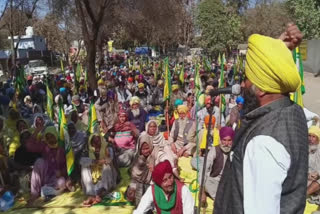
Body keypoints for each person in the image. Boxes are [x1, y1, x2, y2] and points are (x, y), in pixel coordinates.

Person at [214, 25, 308, 214]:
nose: (242, 84)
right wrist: (279, 49)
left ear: (262, 89)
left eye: (247, 79)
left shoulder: (263, 143)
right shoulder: (293, 112)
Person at [191, 127, 235, 205]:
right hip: (215, 179)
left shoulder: (235, 151)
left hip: (229, 181)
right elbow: (206, 167)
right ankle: (221, 199)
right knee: (206, 180)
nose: (226, 143)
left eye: (229, 140)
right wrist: (201, 190)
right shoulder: (214, 150)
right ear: (220, 140)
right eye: (224, 140)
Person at [26, 126, 68, 203]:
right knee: (39, 161)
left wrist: (61, 172)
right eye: (47, 137)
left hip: (55, 179)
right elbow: (29, 146)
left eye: (52, 136)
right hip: (45, 175)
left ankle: (47, 192)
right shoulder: (44, 145)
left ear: (56, 135)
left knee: (62, 181)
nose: (50, 139)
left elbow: (67, 166)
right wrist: (37, 130)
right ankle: (34, 194)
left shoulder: (61, 149)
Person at [80, 134, 118, 207]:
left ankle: (100, 192)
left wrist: (105, 158)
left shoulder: (107, 147)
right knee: (84, 166)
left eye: (98, 141)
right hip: (92, 176)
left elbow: (110, 159)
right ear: (91, 143)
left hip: (105, 177)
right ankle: (91, 193)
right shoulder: (87, 150)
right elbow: (81, 160)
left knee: (107, 166)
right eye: (94, 142)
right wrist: (95, 161)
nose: (96, 144)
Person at [127, 134, 157, 206]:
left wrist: (153, 170)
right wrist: (132, 188)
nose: (146, 151)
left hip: (151, 182)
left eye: (147, 148)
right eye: (143, 149)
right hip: (138, 183)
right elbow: (134, 176)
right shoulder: (137, 158)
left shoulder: (154, 156)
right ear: (140, 149)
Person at [307, 126, 320, 199]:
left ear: (318, 139)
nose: (310, 139)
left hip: (317, 180)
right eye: (309, 136)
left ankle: (304, 195)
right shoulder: (303, 148)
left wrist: (317, 173)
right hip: (307, 178)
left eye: (313, 136)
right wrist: (308, 174)